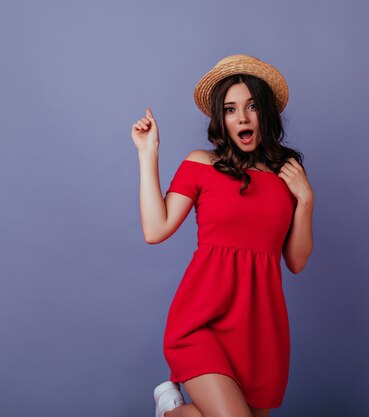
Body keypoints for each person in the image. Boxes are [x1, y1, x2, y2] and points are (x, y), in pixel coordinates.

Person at [131, 54, 314, 417]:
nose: (242, 118)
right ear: (221, 118)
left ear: (265, 112)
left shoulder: (287, 175)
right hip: (201, 321)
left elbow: (295, 261)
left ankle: (174, 411)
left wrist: (306, 200)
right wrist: (148, 153)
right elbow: (156, 229)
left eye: (250, 107)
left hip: (260, 330)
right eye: (230, 109)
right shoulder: (202, 164)